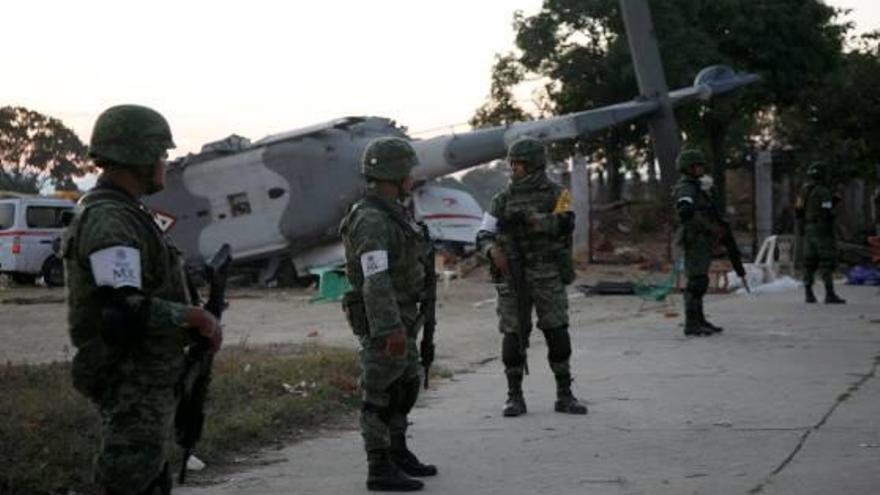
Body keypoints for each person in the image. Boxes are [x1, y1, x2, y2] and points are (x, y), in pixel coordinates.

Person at [61, 105, 222, 495]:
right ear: (139, 156)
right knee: (127, 476)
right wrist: (193, 317)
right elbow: (122, 308)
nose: (164, 163)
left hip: (146, 372)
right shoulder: (110, 219)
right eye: (161, 154)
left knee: (148, 476)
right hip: (131, 375)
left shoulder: (128, 213)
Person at [339, 137, 437, 492]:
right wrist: (389, 329)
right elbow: (374, 277)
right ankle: (378, 466)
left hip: (404, 314)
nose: (413, 176)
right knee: (379, 393)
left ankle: (397, 451)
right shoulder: (371, 219)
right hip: (386, 319)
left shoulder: (393, 211)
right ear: (394, 173)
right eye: (408, 170)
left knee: (405, 385)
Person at [475, 137, 587, 418]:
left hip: (547, 272)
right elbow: (483, 234)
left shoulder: (556, 193)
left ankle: (565, 394)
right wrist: (492, 251)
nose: (514, 168)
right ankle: (514, 396)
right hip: (512, 275)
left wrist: (532, 220)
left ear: (535, 164)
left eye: (520, 163)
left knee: (557, 332)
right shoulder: (502, 198)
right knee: (513, 334)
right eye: (512, 163)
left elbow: (566, 222)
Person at [673, 149, 726, 337]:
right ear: (688, 168)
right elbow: (685, 212)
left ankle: (699, 320)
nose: (701, 168)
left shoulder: (697, 187)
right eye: (697, 165)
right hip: (694, 237)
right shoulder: (687, 187)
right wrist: (709, 228)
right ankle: (692, 323)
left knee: (701, 280)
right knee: (696, 281)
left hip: (701, 238)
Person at [795, 162, 846, 304]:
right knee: (826, 261)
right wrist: (834, 202)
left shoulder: (804, 191)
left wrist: (802, 227)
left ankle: (808, 294)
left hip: (808, 228)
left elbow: (798, 210)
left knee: (809, 262)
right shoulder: (824, 191)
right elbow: (827, 210)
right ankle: (829, 294)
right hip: (822, 229)